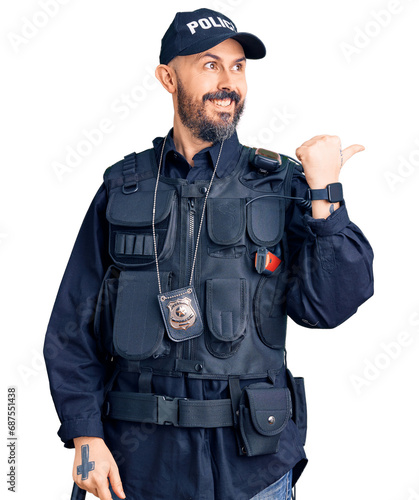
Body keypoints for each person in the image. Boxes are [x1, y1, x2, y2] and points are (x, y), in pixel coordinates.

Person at [43, 7, 374, 500]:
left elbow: (327, 307)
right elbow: (73, 325)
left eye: (238, 67)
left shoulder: (281, 183)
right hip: (138, 469)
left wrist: (326, 193)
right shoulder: (124, 186)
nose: (229, 82)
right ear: (167, 78)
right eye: (210, 64)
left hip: (252, 470)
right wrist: (86, 436)